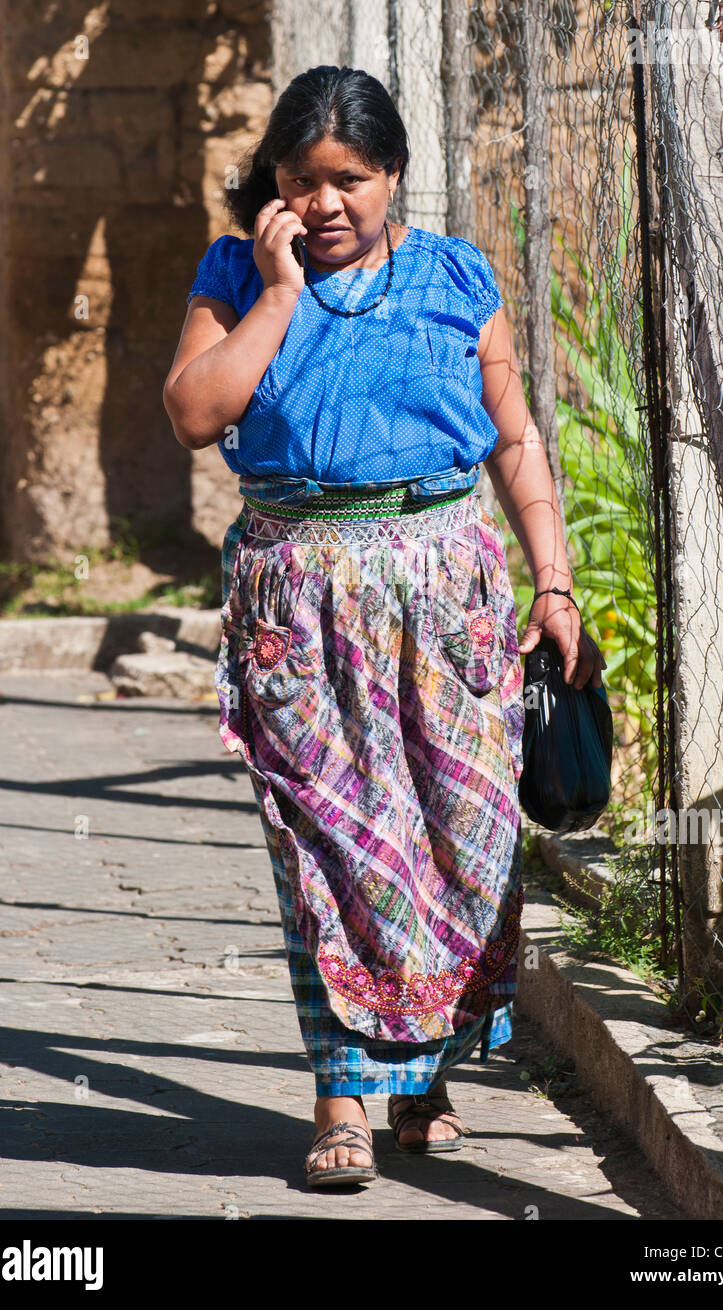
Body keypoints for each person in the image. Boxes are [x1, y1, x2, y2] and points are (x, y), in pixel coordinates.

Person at [164, 65, 604, 1190]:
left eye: (348, 180)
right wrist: (273, 294)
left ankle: (424, 1077)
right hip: (295, 606)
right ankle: (341, 1101)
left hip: (445, 602)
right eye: (300, 181)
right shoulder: (234, 274)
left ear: (393, 175)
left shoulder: (454, 277)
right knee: (329, 855)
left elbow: (510, 439)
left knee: (460, 852)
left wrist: (551, 584)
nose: (323, 205)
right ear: (272, 183)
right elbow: (193, 412)